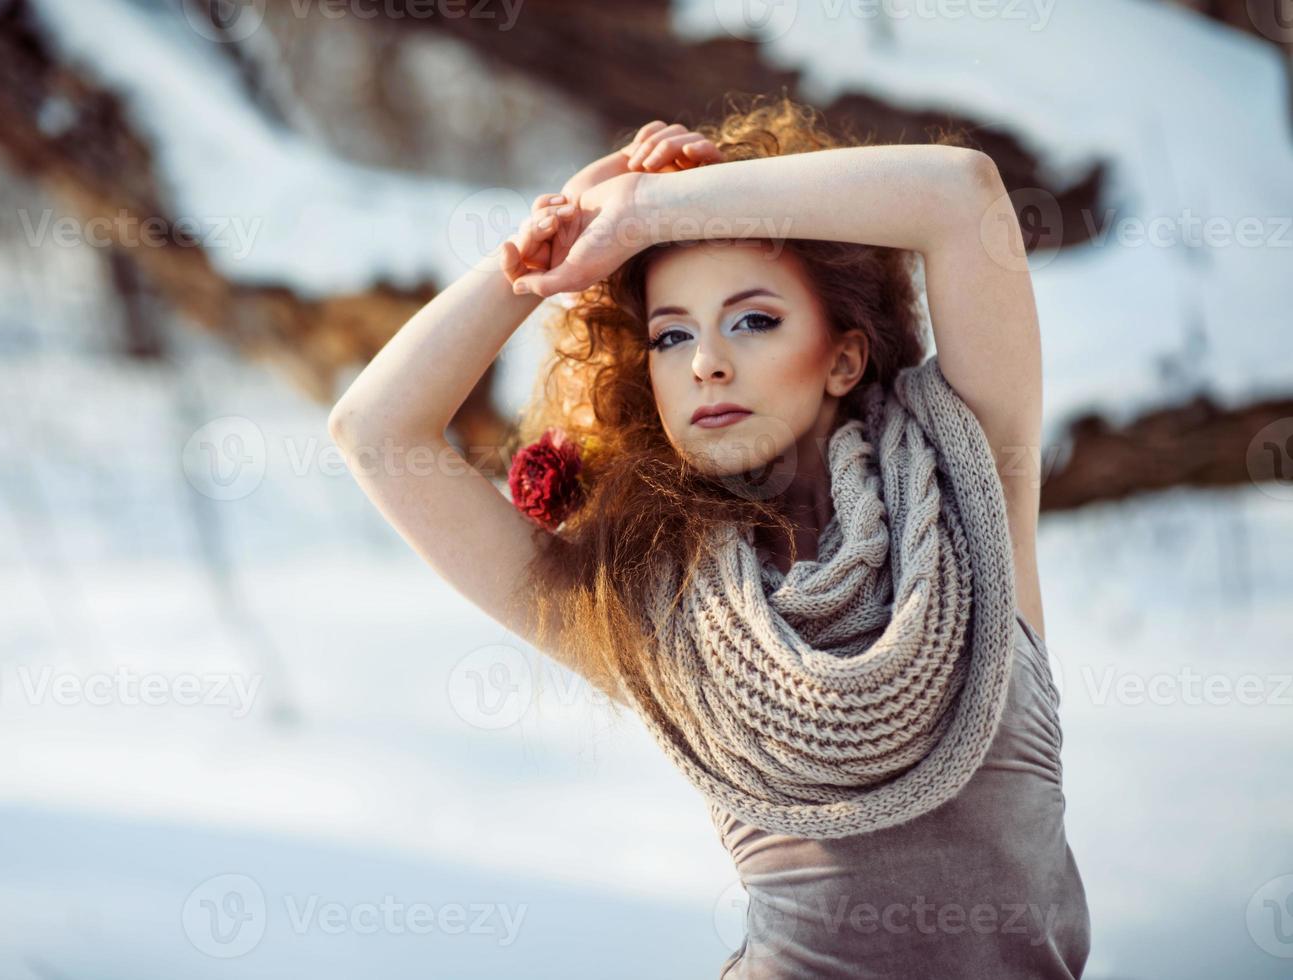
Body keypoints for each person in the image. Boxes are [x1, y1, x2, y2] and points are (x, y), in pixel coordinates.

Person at [329, 93, 1090, 978]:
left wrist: (654, 210)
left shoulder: (969, 484)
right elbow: (376, 432)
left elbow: (961, 195)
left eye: (753, 319)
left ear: (844, 354)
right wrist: (554, 240)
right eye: (670, 335)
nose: (705, 362)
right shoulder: (639, 594)